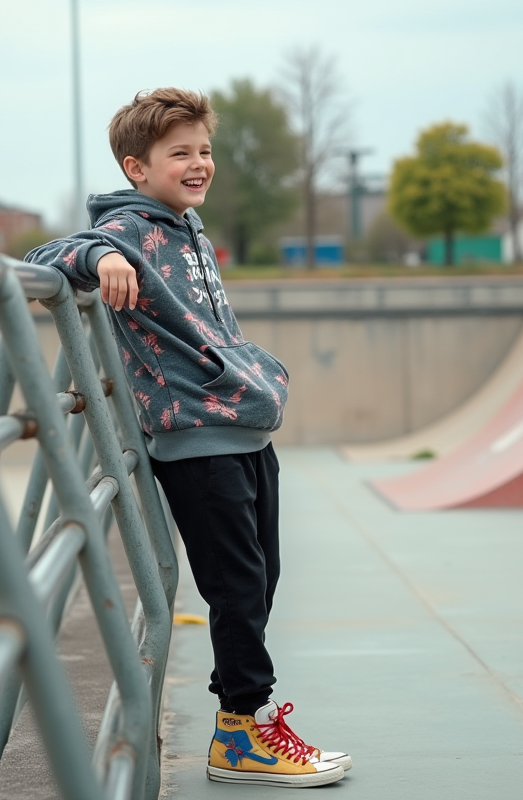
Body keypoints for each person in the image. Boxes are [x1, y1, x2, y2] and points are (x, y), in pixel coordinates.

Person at [26, 88, 351, 788]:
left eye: (204, 151)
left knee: (260, 579)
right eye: (181, 154)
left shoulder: (187, 228)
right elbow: (45, 255)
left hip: (243, 429)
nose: (199, 163)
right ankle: (242, 732)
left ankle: (241, 729)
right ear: (137, 167)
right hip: (198, 439)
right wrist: (94, 259)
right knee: (235, 586)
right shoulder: (133, 230)